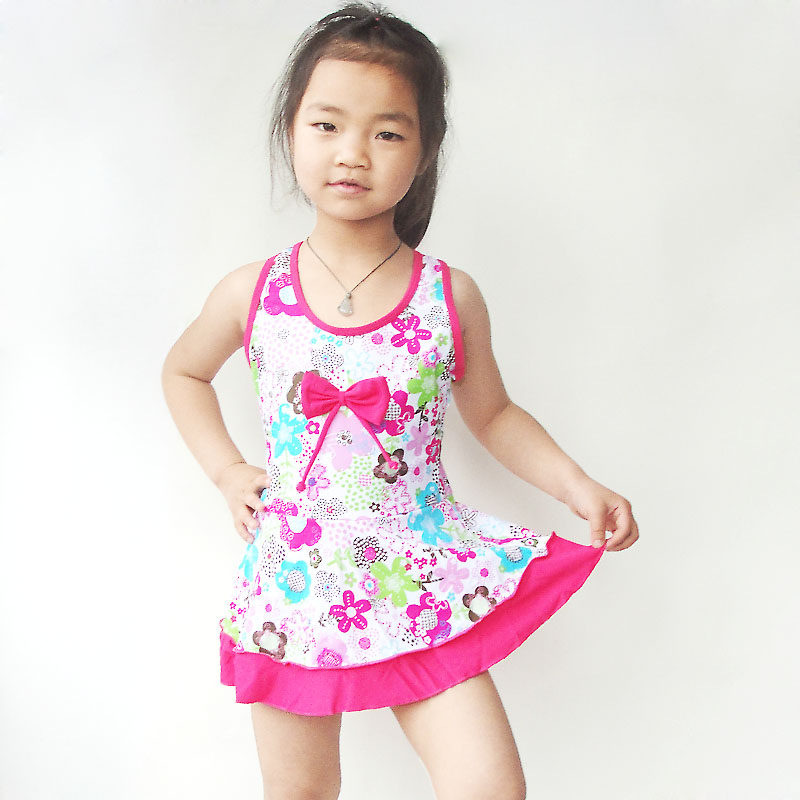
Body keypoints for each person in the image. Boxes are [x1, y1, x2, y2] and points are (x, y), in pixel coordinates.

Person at [161, 4, 639, 798]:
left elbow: (494, 415)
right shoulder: (252, 292)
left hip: (420, 578)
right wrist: (226, 470)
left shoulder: (449, 296)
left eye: (386, 132)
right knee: (301, 794)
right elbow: (183, 373)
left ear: (425, 150)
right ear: (290, 130)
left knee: (488, 787)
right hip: (296, 587)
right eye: (327, 125)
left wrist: (576, 485)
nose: (352, 152)